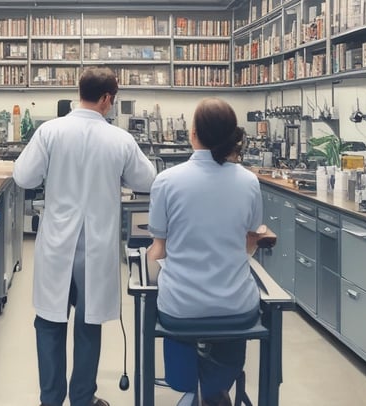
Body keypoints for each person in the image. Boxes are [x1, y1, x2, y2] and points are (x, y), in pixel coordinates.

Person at [13, 67, 157, 406]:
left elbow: (23, 177)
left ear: (80, 92)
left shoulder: (50, 131)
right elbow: (148, 181)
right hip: (96, 246)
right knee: (88, 323)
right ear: (107, 98)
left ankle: (50, 399)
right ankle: (82, 398)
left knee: (49, 323)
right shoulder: (119, 138)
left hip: (57, 245)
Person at [146, 98, 263, 406]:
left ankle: (196, 387)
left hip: (180, 310)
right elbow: (250, 242)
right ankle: (216, 388)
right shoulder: (249, 181)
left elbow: (158, 251)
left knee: (183, 360)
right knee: (226, 350)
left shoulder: (166, 181)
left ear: (193, 133)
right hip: (237, 308)